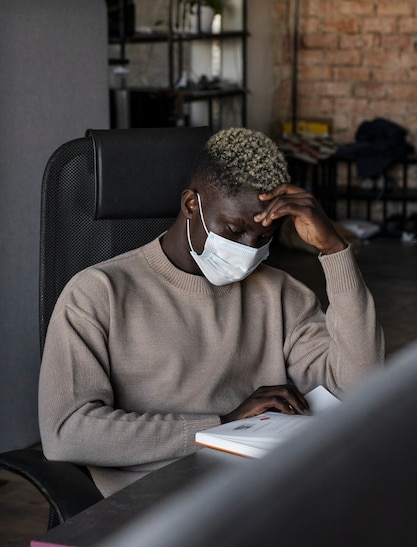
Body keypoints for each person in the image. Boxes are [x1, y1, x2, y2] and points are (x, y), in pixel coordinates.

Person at [39, 127, 384, 497]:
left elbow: (359, 387)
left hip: (261, 494)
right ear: (191, 205)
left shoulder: (282, 294)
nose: (249, 250)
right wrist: (221, 425)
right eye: (234, 230)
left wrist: (333, 250)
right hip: (154, 506)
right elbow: (67, 432)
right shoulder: (97, 294)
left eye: (263, 236)